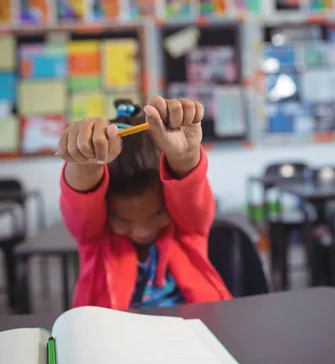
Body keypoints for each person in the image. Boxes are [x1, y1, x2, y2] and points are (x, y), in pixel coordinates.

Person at [58, 95, 232, 309]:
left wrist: (185, 158)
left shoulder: (188, 229)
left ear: (170, 202)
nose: (141, 231)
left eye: (157, 215)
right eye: (122, 220)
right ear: (105, 214)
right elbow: (81, 205)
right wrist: (85, 165)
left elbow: (190, 193)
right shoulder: (95, 239)